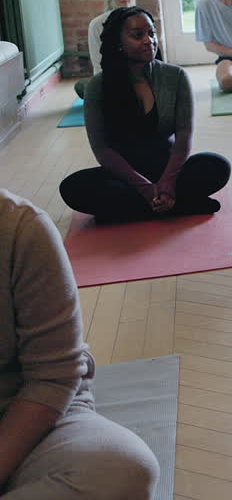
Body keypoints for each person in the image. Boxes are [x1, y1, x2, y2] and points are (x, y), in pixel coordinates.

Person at [0, 190, 160, 498]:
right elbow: (105, 148)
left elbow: (52, 378)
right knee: (81, 186)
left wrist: (152, 185)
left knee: (120, 470)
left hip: (22, 413)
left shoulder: (19, 228)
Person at [60, 7, 231, 223]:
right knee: (73, 188)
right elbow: (102, 150)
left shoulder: (175, 76)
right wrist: (145, 189)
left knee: (217, 166)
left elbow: (184, 134)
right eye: (137, 35)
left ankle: (131, 212)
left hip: (168, 169)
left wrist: (167, 182)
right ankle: (179, 205)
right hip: (124, 175)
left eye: (151, 33)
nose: (148, 40)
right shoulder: (98, 86)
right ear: (118, 42)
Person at [75, 0, 135, 99]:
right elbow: (98, 64)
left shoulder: (140, 20)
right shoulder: (97, 24)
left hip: (137, 77)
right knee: (81, 86)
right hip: (110, 78)